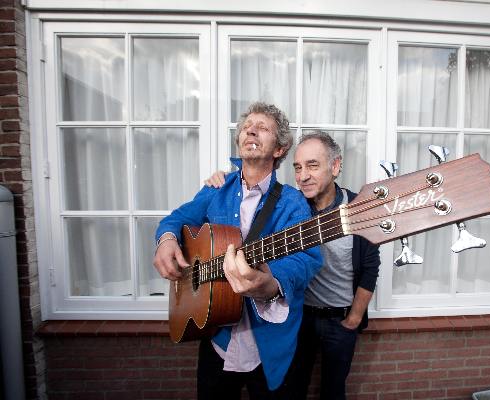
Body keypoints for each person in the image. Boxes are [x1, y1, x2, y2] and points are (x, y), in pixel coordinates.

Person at [153, 102, 322, 400]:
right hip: (217, 336)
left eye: (263, 127)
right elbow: (177, 219)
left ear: (279, 149)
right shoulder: (216, 189)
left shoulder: (293, 203)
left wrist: (271, 283)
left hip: (269, 345)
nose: (250, 130)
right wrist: (166, 239)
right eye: (246, 127)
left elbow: (308, 259)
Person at [205, 131, 380, 399]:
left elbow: (370, 267)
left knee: (334, 390)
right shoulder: (289, 208)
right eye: (298, 168)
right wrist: (224, 181)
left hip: (340, 318)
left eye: (313, 165)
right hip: (300, 316)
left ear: (335, 166)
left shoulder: (357, 208)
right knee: (294, 388)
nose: (303, 176)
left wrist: (354, 318)